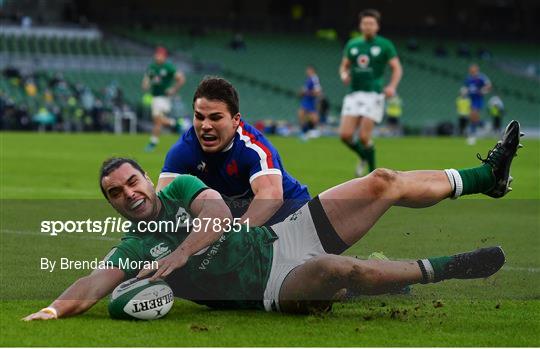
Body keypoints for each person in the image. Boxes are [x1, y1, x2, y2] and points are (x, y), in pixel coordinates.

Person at [23, 120, 523, 320]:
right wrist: (53, 310)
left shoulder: (181, 187)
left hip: (287, 232)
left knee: (382, 180)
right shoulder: (134, 247)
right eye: (115, 193)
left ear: (149, 181)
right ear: (111, 203)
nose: (128, 194)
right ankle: (450, 266)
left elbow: (217, 213)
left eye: (133, 182)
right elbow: (95, 281)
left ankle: (487, 176)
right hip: (276, 284)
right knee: (336, 273)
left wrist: (180, 252)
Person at [157, 77, 311, 226]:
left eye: (215, 118)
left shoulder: (253, 147)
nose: (205, 125)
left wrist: (232, 236)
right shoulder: (183, 150)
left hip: (291, 213)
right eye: (199, 117)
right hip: (248, 224)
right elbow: (162, 205)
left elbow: (271, 197)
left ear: (235, 120)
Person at [338, 9, 403, 177]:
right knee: (345, 135)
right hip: (354, 93)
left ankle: (373, 174)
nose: (367, 26)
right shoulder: (352, 44)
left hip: (373, 95)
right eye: (365, 23)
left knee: (364, 138)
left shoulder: (385, 45)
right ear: (360, 25)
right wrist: (344, 75)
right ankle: (364, 156)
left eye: (371, 23)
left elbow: (397, 68)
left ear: (377, 26)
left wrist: (392, 86)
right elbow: (343, 66)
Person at [142, 46, 186, 152]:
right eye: (157, 54)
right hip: (155, 97)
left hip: (164, 97)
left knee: (157, 119)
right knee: (158, 120)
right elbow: (147, 79)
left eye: (160, 55)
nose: (157, 56)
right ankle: (176, 123)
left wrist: (173, 89)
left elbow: (181, 79)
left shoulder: (168, 67)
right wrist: (145, 84)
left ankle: (153, 142)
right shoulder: (152, 67)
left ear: (164, 56)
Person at [463, 63, 491, 145]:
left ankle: (472, 136)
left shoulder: (481, 77)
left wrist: (483, 90)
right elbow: (467, 88)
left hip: (477, 99)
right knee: (472, 117)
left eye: (473, 70)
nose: (472, 71)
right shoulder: (468, 79)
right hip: (470, 99)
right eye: (471, 70)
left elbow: (488, 86)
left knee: (473, 114)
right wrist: (464, 92)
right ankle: (484, 125)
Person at [298, 65, 322, 140]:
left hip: (311, 100)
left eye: (308, 70)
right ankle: (305, 131)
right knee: (302, 114)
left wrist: (306, 92)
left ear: (312, 70)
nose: (307, 71)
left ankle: (314, 131)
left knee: (312, 115)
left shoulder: (315, 78)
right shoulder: (309, 79)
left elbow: (318, 91)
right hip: (306, 99)